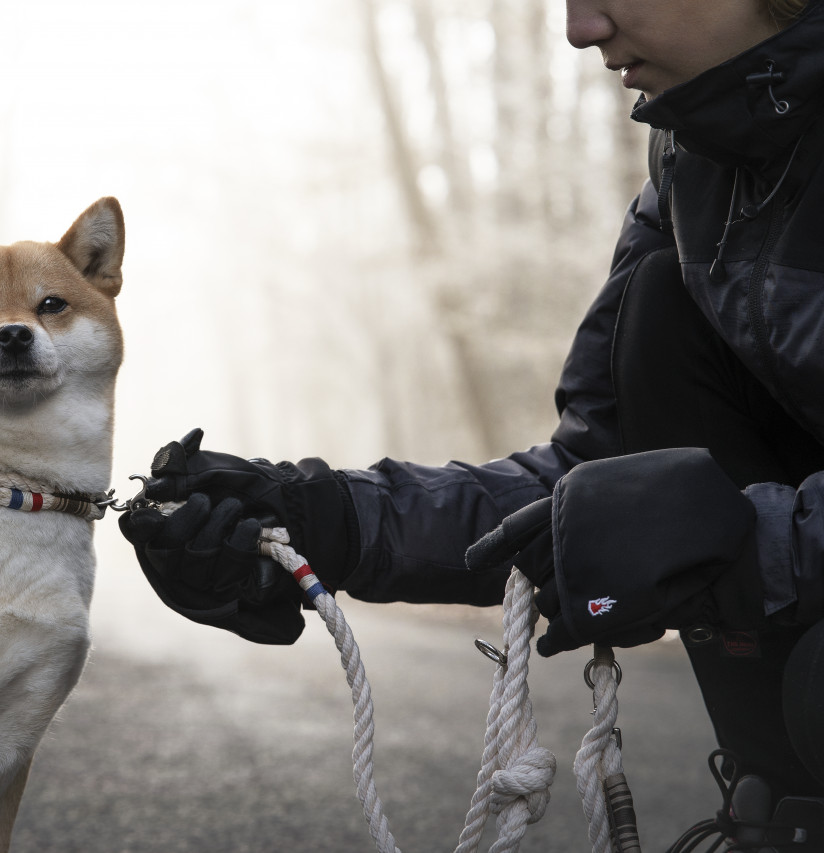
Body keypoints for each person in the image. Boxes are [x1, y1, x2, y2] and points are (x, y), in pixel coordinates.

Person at [119, 0, 824, 844]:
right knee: (657, 309)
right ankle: (784, 815)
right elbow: (588, 482)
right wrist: (324, 522)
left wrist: (744, 543)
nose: (579, 28)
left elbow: (704, 532)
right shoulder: (689, 165)